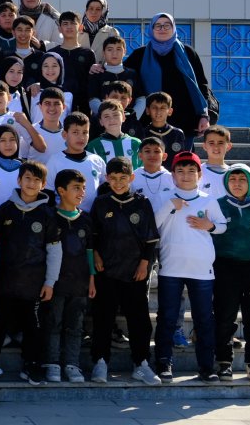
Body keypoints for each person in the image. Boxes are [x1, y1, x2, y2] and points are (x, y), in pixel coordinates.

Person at [0, 159, 59, 384]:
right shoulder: (6, 208)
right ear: (18, 180)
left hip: (34, 283)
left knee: (34, 326)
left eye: (36, 180)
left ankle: (31, 366)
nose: (31, 183)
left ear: (43, 184)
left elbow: (54, 250)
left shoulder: (47, 214)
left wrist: (50, 282)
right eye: (27, 178)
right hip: (5, 279)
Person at [152, 151, 226, 383]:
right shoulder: (165, 196)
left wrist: (210, 225)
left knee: (204, 319)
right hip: (171, 268)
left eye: (191, 171)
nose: (186, 175)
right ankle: (164, 363)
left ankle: (206, 367)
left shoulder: (208, 199)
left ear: (199, 174)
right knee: (167, 317)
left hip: (201, 269)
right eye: (180, 171)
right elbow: (152, 225)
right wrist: (170, 207)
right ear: (172, 175)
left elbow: (223, 226)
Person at [89, 157, 161, 385]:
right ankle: (100, 362)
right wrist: (97, 256)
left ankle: (141, 363)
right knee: (103, 318)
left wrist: (144, 264)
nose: (118, 183)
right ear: (107, 179)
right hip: (106, 270)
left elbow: (150, 239)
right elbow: (92, 236)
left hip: (134, 272)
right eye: (113, 178)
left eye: (123, 178)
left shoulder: (142, 203)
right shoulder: (101, 203)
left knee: (139, 319)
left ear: (131, 178)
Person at [212, 164, 250, 382]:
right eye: (233, 179)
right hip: (225, 267)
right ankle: (224, 363)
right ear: (227, 183)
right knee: (224, 315)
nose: (237, 184)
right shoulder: (217, 205)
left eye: (242, 180)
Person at [124, 13, 213, 139]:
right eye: (158, 26)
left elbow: (201, 85)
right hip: (148, 122)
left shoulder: (188, 53)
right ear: (151, 29)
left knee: (181, 158)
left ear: (174, 28)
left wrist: (204, 115)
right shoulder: (140, 55)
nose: (162, 29)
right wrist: (100, 67)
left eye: (167, 25)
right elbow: (122, 77)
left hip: (184, 120)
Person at [43, 170, 95, 384]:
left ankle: (72, 364)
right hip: (55, 283)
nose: (81, 192)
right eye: (76, 188)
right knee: (53, 323)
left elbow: (90, 251)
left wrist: (92, 278)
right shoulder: (50, 217)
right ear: (61, 191)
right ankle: (52, 364)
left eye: (83, 188)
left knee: (75, 325)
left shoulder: (86, 220)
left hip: (80, 282)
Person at [91, 101, 142, 169]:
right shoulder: (94, 146)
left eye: (115, 115)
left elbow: (143, 170)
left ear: (123, 117)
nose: (112, 119)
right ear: (101, 121)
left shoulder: (136, 143)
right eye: (106, 116)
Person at [78, 0, 120, 64]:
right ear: (86, 11)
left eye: (98, 9)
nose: (93, 12)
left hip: (102, 72)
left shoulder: (112, 32)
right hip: (81, 73)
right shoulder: (78, 31)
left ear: (104, 12)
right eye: (91, 8)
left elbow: (115, 56)